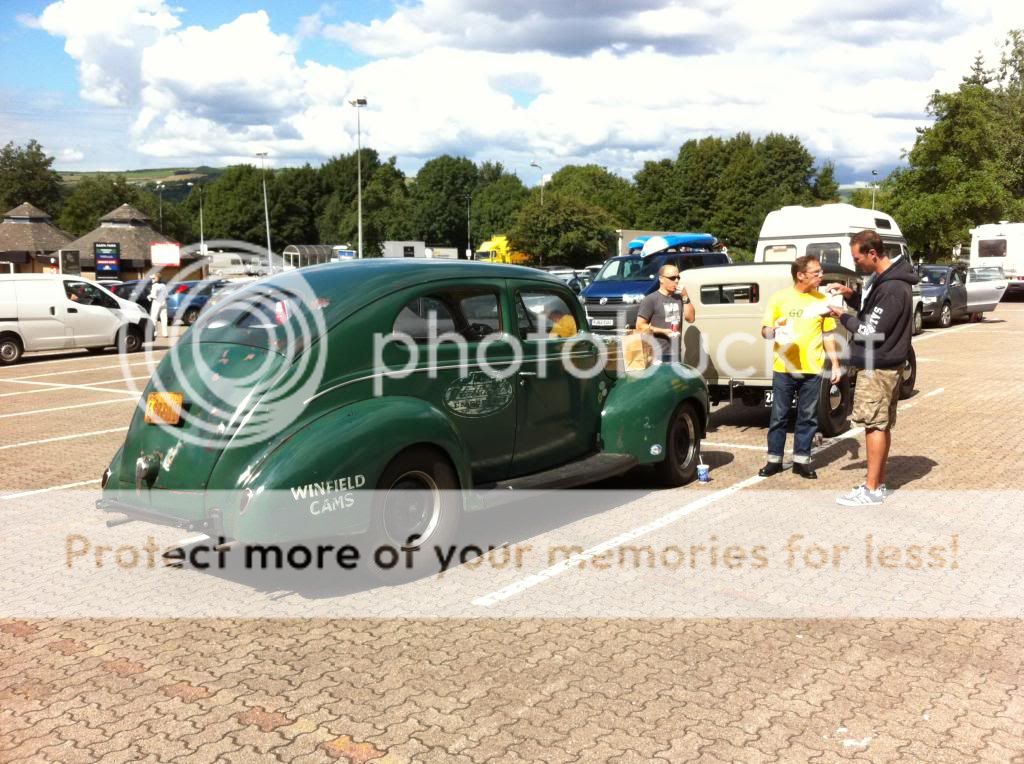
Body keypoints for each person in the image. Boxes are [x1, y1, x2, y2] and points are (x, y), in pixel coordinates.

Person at [826, 230, 916, 505]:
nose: (856, 264)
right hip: (887, 364)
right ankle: (877, 483)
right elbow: (873, 312)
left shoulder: (891, 288)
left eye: (857, 258)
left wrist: (843, 316)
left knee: (873, 426)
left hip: (877, 366)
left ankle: (872, 488)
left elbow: (868, 331)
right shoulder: (887, 281)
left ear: (872, 254)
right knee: (881, 424)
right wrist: (852, 296)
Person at [758, 255, 842, 480]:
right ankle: (773, 461)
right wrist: (774, 332)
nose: (821, 276)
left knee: (808, 417)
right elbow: (764, 330)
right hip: (784, 368)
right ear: (800, 275)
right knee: (779, 417)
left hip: (813, 369)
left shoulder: (822, 300)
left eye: (820, 272)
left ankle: (802, 461)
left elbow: (828, 334)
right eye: (816, 273)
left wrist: (835, 364)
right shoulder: (780, 298)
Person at [635, 263, 695, 361]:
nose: (676, 281)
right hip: (657, 352)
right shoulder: (651, 299)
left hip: (675, 352)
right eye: (672, 278)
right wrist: (664, 332)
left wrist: (685, 296)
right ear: (661, 279)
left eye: (678, 277)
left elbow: (691, 318)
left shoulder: (679, 297)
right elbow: (640, 326)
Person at [149, 273, 169, 339]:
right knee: (164, 318)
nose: (152, 280)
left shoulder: (155, 286)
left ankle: (154, 333)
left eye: (153, 278)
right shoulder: (164, 285)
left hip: (157, 302)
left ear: (156, 279)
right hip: (164, 302)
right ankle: (165, 333)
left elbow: (153, 295)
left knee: (154, 318)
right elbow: (167, 296)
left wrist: (149, 297)